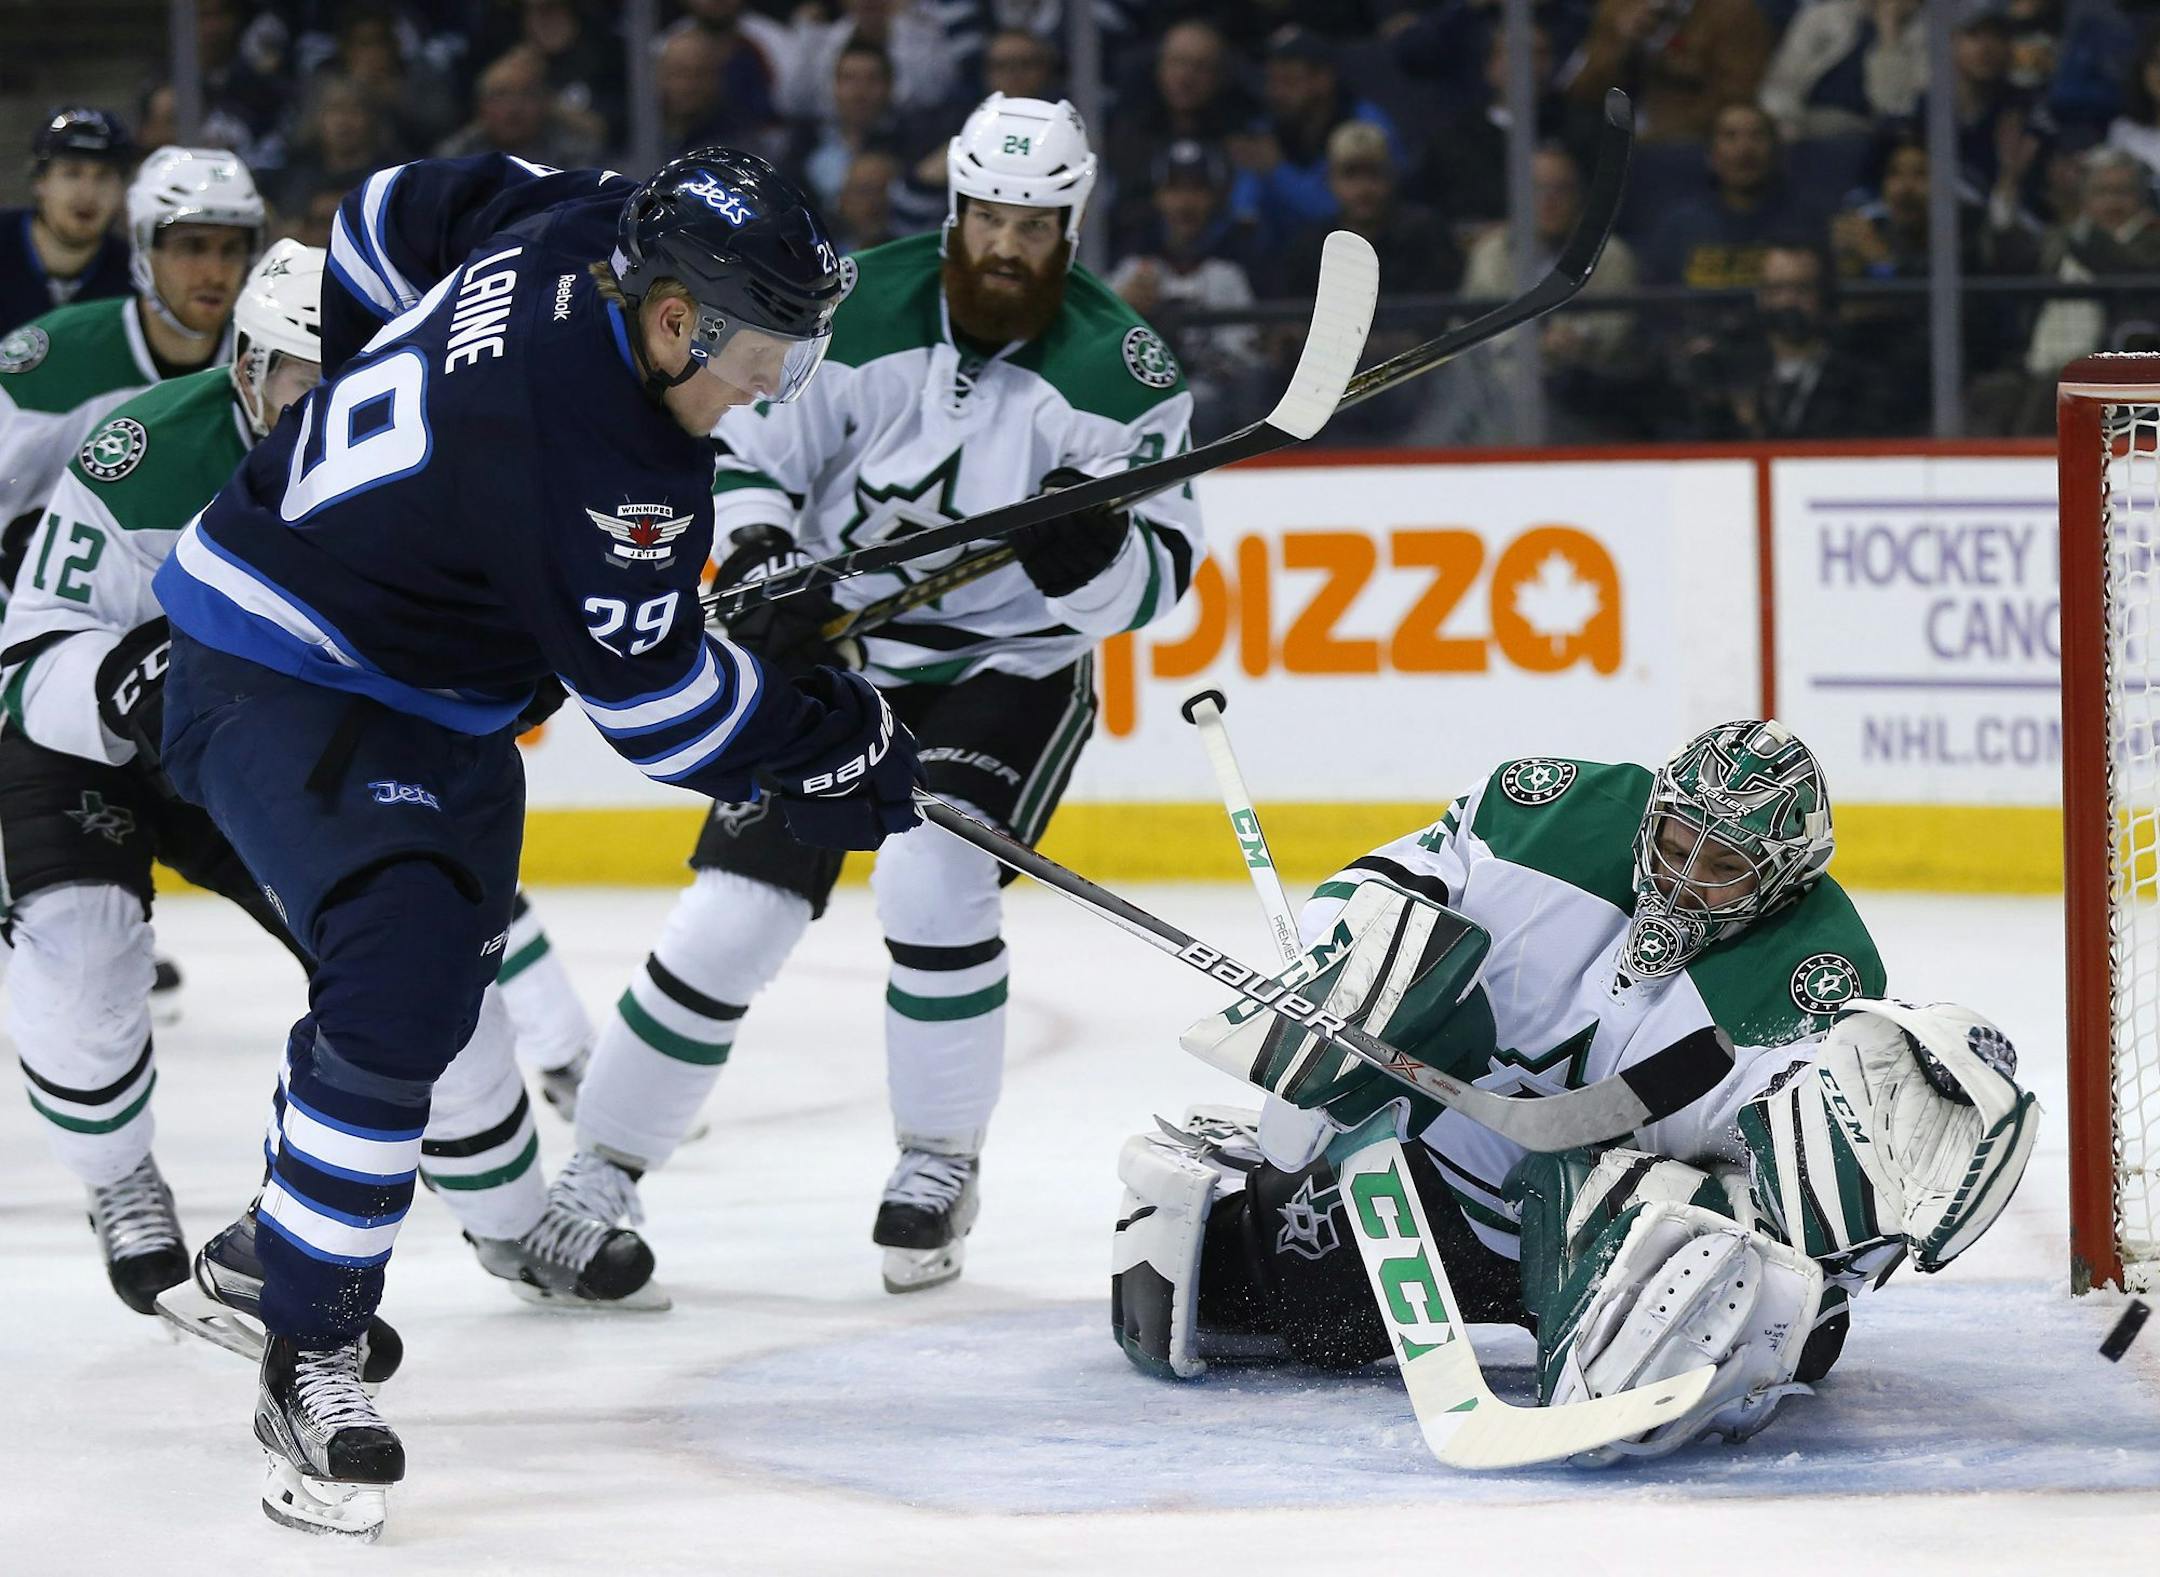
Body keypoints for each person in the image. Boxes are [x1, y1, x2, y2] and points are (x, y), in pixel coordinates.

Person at [148, 148, 919, 1540]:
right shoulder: (602, 462)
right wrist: (834, 739)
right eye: (759, 355)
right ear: (674, 317)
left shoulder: (592, 214)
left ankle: (275, 1249)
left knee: (431, 996)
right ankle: (309, 1347)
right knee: (398, 983)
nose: (767, 389)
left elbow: (391, 208)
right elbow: (664, 715)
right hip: (283, 669)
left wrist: (400, 403)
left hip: (423, 678)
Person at [569, 94, 1202, 1299]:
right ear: (957, 208)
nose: (1006, 244)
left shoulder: (1125, 374)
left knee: (931, 870)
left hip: (1004, 667)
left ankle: (936, 1161)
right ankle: (599, 1169)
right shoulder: (852, 308)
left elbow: (1161, 571)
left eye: (1035, 221)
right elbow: (751, 449)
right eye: (990, 215)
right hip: (840, 654)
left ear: (1070, 226)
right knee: (733, 912)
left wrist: (1098, 563)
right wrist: (760, 560)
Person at [1112, 721, 2039, 1460]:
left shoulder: (1815, 980)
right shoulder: (1546, 813)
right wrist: (1343, 972)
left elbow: (1809, 1196)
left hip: (1609, 1227)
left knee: (1737, 1325)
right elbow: (1389, 880)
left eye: (1723, 868)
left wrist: (1813, 1262)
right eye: (1676, 840)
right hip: (1446, 1179)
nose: (1682, 877)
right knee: (1249, 1295)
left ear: (1785, 882)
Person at [0, 147, 258, 584]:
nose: (215, 272)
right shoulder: (47, 365)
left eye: (230, 250)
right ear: (142, 247)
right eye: (191, 248)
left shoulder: (270, 368)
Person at [0, 108, 136, 336]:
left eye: (103, 176)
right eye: (72, 173)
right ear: (39, 181)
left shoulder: (135, 276)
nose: (88, 193)